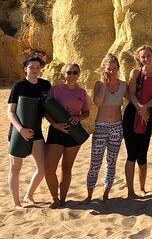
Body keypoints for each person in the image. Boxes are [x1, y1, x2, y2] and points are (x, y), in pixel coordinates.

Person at [7, 55, 52, 209]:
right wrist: (21, 130)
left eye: (37, 67)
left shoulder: (46, 85)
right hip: (18, 132)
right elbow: (10, 112)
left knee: (43, 168)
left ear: (41, 69)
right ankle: (16, 203)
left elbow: (50, 108)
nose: (34, 70)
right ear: (25, 68)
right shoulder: (18, 86)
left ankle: (29, 195)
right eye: (31, 67)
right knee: (15, 168)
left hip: (37, 132)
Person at [44, 63, 90, 208]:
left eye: (75, 72)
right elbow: (46, 110)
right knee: (49, 168)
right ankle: (54, 198)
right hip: (57, 131)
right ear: (64, 74)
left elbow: (86, 112)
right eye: (69, 72)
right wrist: (55, 124)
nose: (72, 75)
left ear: (79, 74)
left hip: (74, 133)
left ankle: (63, 199)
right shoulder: (55, 90)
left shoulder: (82, 93)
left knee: (66, 168)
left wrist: (80, 118)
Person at [83, 53, 126, 203]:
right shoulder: (99, 85)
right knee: (95, 162)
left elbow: (133, 97)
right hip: (101, 126)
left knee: (111, 162)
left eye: (114, 68)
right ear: (104, 69)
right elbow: (99, 103)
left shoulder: (123, 85)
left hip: (117, 127)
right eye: (109, 69)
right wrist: (104, 84)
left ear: (118, 69)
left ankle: (106, 193)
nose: (112, 71)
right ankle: (89, 195)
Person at [123, 45, 152, 198]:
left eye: (148, 56)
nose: (146, 59)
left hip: (147, 113)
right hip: (132, 113)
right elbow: (131, 94)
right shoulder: (135, 73)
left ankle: (142, 187)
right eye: (143, 57)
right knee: (131, 153)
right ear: (139, 59)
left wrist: (145, 107)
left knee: (143, 153)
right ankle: (130, 190)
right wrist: (140, 107)